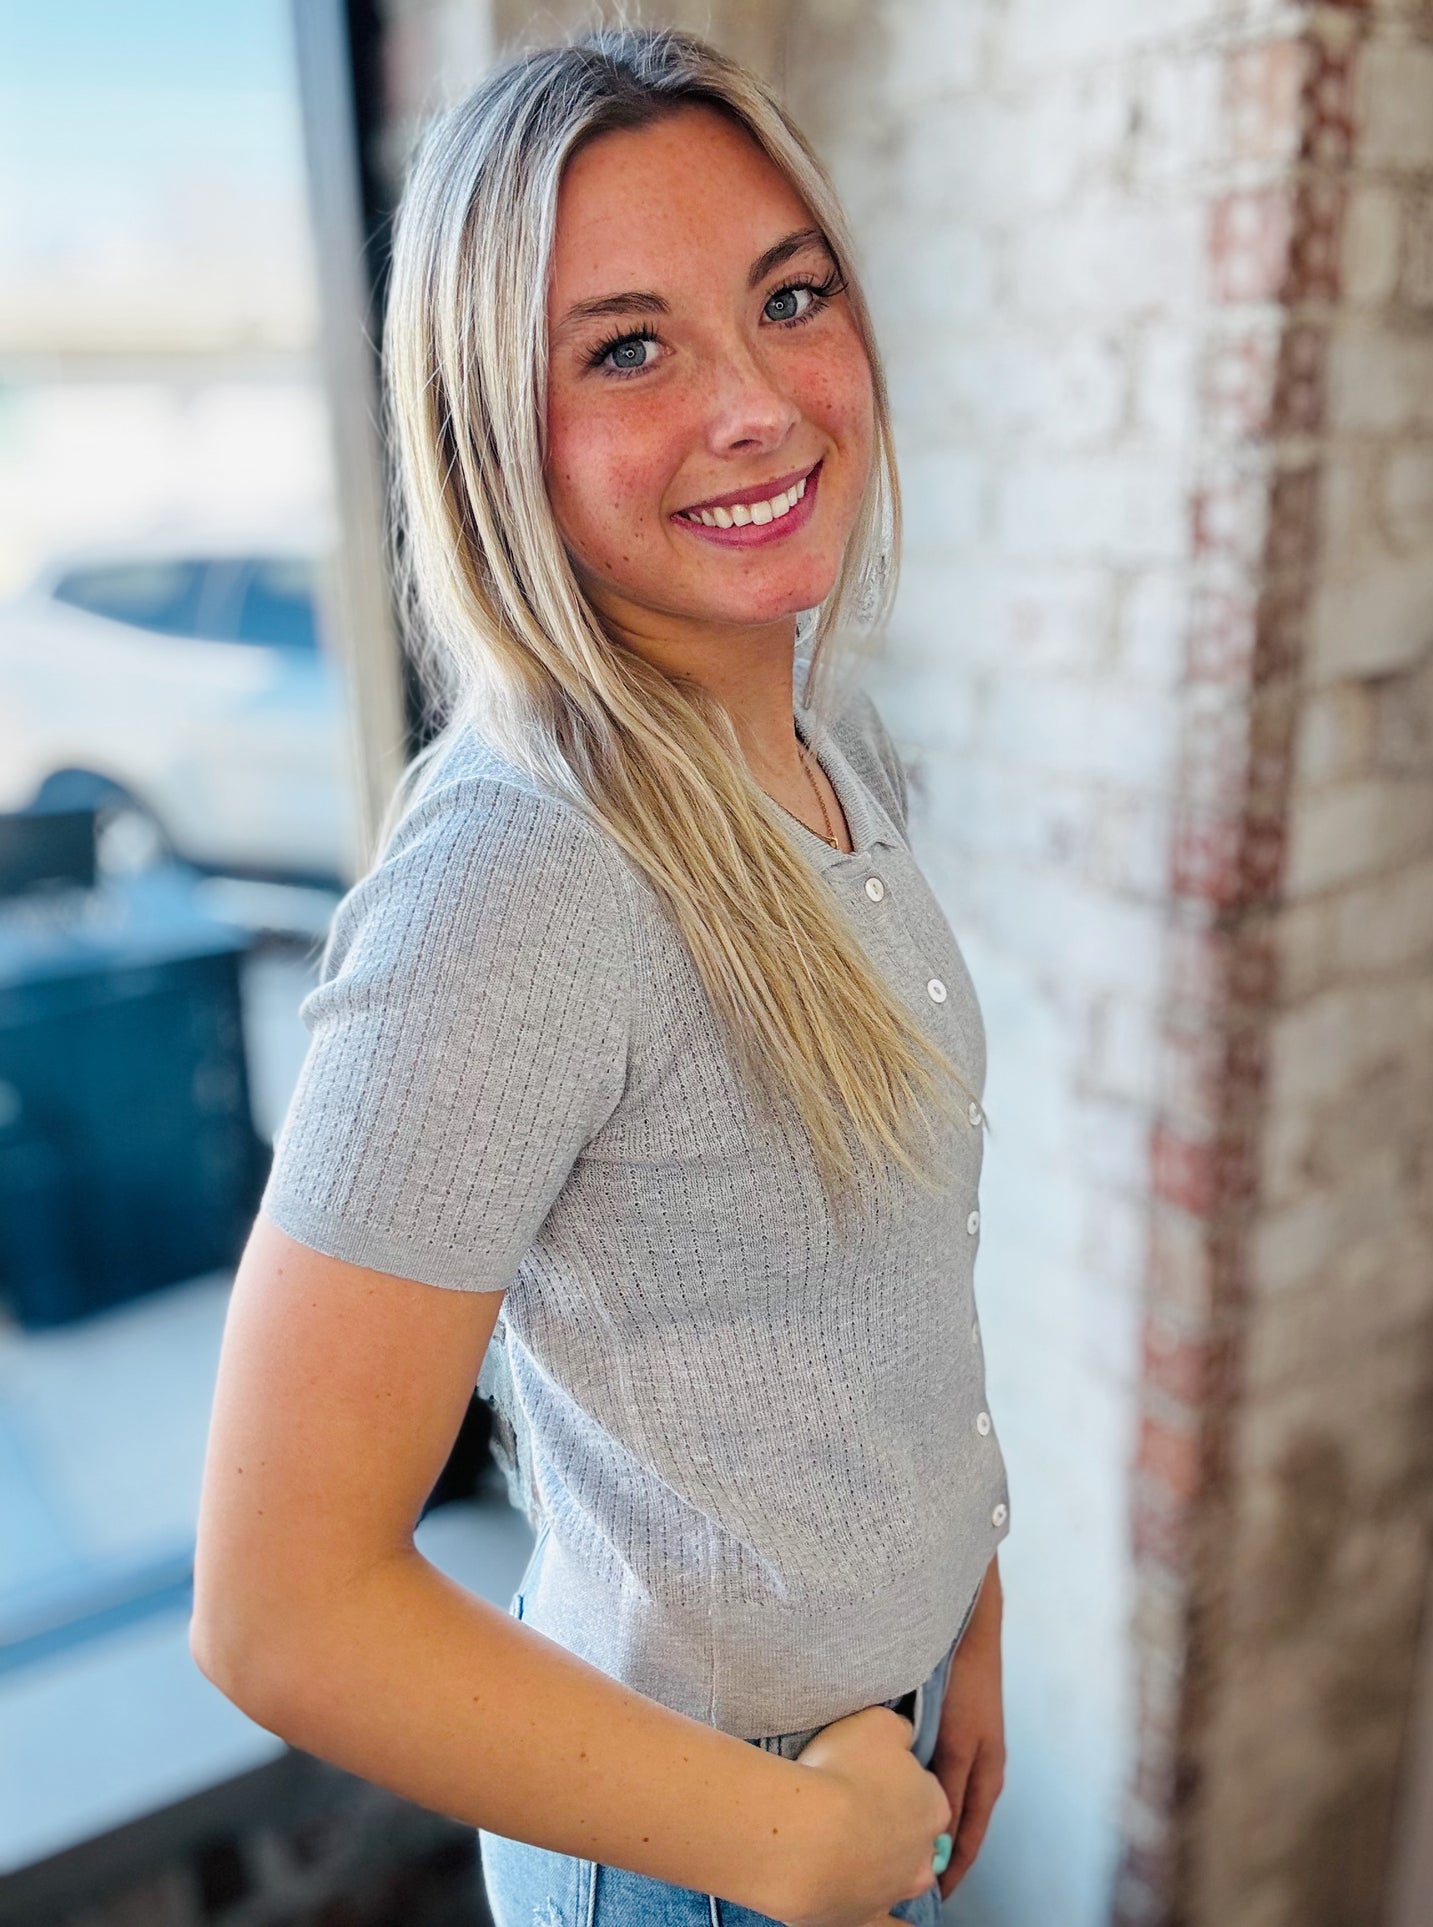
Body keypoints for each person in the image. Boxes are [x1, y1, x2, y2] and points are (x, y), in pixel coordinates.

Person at [191, 24, 1010, 1927]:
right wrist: (784, 1849)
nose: (758, 402)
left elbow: (868, 1290)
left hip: (858, 1762)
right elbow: (278, 1603)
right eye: (625, 348)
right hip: (702, 1853)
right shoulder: (519, 880)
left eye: (788, 298)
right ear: (491, 427)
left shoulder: (824, 739)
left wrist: (963, 1595)